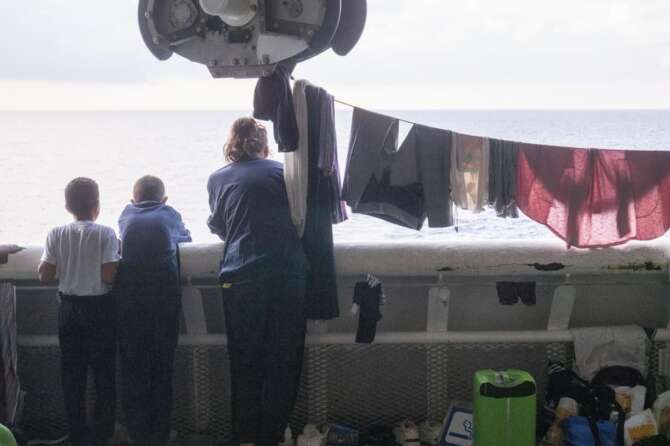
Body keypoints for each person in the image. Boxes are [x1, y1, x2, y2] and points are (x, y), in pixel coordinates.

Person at [207, 117, 309, 446]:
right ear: (265, 145)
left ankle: (246, 438)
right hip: (285, 275)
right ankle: (273, 435)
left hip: (240, 278)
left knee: (245, 361)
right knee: (283, 360)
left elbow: (221, 226)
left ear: (232, 144)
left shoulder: (218, 178)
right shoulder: (282, 173)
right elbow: (300, 220)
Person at [37, 177, 120, 446]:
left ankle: (77, 434)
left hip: (69, 309)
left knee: (72, 376)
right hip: (99, 311)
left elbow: (46, 275)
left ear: (67, 206)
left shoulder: (56, 233)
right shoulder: (106, 233)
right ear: (97, 205)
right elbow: (109, 276)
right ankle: (103, 434)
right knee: (104, 375)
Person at [117, 175, 191, 446]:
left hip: (128, 304)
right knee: (162, 369)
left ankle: (137, 435)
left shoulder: (125, 214)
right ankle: (160, 436)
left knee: (133, 370)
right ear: (164, 199)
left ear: (132, 199)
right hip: (162, 303)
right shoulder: (168, 213)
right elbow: (185, 238)